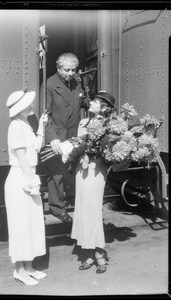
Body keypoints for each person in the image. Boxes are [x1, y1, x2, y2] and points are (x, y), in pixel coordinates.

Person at [4, 90, 48, 286]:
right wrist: (33, 182)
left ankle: (29, 267)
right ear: (19, 109)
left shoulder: (26, 125)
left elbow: (37, 147)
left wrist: (42, 126)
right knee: (21, 226)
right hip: (21, 177)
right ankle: (19, 270)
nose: (32, 107)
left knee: (32, 223)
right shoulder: (15, 126)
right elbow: (21, 158)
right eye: (28, 105)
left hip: (29, 175)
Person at [40, 53, 89, 222]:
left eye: (73, 70)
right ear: (58, 68)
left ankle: (70, 202)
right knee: (56, 174)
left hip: (72, 135)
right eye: (66, 70)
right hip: (57, 136)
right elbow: (45, 115)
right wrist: (52, 138)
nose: (70, 73)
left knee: (69, 171)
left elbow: (83, 101)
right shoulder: (49, 84)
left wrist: (96, 103)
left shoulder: (76, 83)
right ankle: (57, 209)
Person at [71, 91, 116, 274]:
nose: (90, 103)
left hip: (96, 171)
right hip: (81, 170)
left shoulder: (110, 126)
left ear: (104, 108)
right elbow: (79, 145)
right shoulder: (83, 123)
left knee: (93, 209)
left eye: (95, 102)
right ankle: (88, 251)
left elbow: (109, 152)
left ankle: (99, 252)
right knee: (82, 209)